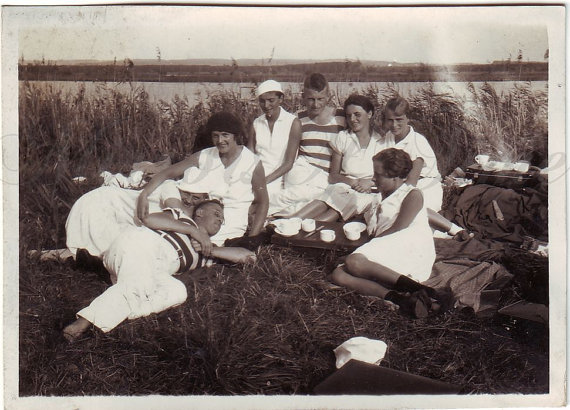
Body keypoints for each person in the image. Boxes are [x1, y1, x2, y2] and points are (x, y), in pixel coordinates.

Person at [62, 200, 257, 342]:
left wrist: (212, 250)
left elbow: (249, 257)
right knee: (139, 284)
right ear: (199, 213)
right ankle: (85, 322)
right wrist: (192, 231)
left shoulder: (209, 250)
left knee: (177, 291)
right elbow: (149, 219)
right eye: (216, 213)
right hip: (140, 244)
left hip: (154, 269)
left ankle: (115, 307)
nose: (220, 219)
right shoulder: (182, 219)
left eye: (222, 219)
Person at [328, 148, 439, 318]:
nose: (373, 178)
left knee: (354, 261)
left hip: (410, 246)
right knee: (338, 274)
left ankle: (428, 292)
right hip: (388, 245)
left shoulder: (412, 194)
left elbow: (399, 228)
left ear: (394, 177)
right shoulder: (379, 196)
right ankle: (400, 300)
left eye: (378, 174)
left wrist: (361, 251)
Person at [137, 111, 269, 249]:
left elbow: (263, 202)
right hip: (202, 216)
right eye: (215, 136)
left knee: (195, 247)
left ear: (236, 136)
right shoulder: (205, 155)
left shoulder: (252, 162)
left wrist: (252, 238)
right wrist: (144, 194)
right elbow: (167, 173)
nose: (220, 141)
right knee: (158, 230)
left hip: (230, 223)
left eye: (225, 135)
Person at [290, 94, 386, 222]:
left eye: (357, 114)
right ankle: (288, 222)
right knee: (326, 199)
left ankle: (300, 228)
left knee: (339, 206)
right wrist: (353, 182)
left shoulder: (381, 142)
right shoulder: (343, 137)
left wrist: (370, 182)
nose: (352, 119)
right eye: (348, 115)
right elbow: (333, 176)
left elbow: (388, 177)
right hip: (344, 187)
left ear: (369, 114)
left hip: (368, 193)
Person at [382, 96, 464, 236]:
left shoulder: (417, 142)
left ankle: (455, 230)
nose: (394, 125)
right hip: (400, 185)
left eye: (399, 119)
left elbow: (411, 183)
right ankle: (439, 235)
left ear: (408, 118)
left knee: (411, 208)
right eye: (390, 120)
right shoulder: (388, 138)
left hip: (425, 185)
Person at [269, 73, 346, 216]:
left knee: (303, 203)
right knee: (321, 196)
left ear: (328, 96)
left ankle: (271, 211)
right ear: (303, 96)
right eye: (310, 99)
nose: (315, 105)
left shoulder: (341, 117)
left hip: (326, 176)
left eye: (320, 99)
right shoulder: (297, 118)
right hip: (302, 171)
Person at [247, 80, 302, 214]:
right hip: (256, 174)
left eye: (271, 100)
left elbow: (288, 163)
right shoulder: (257, 123)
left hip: (277, 177)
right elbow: (249, 155)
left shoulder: (292, 122)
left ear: (281, 99)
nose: (266, 105)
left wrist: (263, 182)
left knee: (259, 202)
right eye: (262, 101)